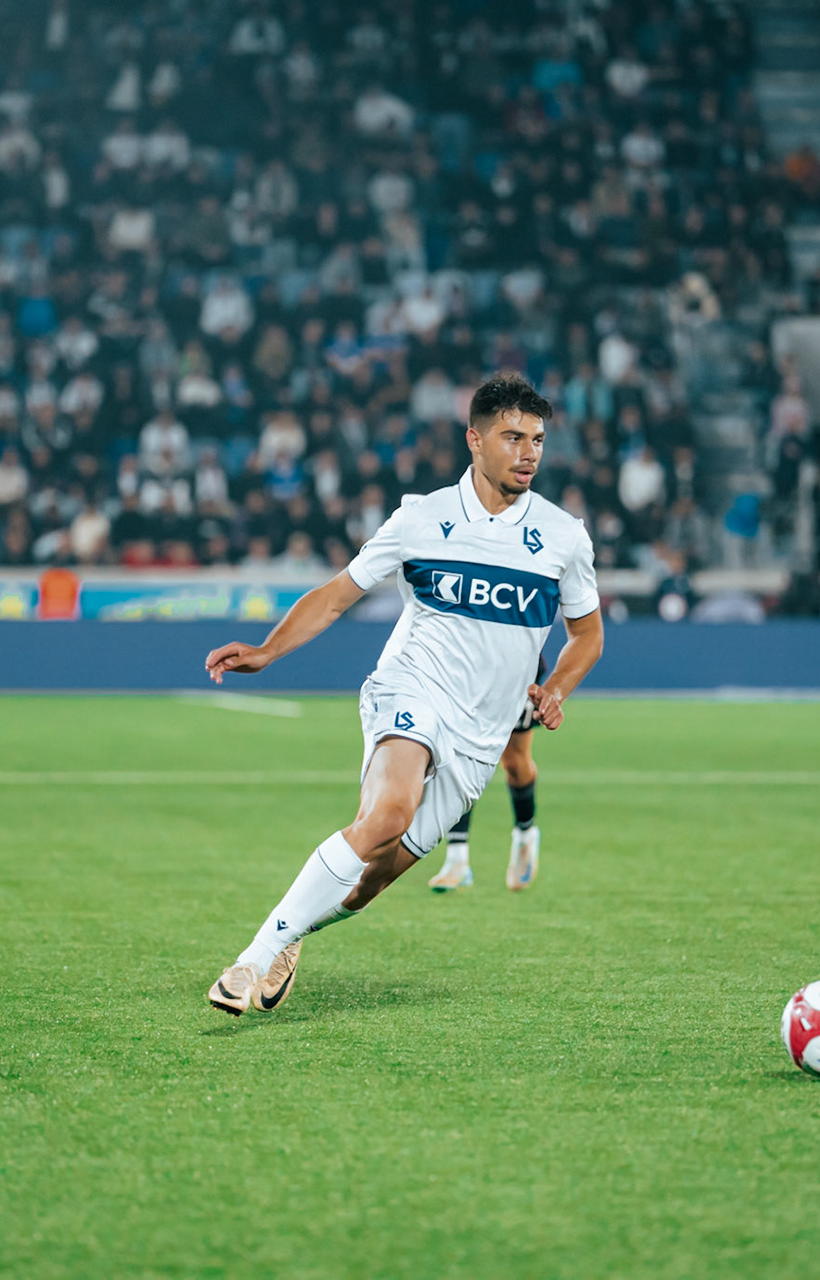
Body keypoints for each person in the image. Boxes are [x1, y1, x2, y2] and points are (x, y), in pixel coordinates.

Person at [200, 374, 603, 1014]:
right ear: (475, 440)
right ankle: (249, 961)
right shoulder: (421, 517)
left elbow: (587, 635)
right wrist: (269, 649)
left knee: (366, 885)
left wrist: (556, 688)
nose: (528, 452)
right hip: (411, 687)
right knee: (386, 814)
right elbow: (338, 593)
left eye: (537, 440)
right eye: (512, 437)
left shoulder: (562, 536)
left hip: (481, 735)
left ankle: (293, 935)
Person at [427, 652, 546, 893]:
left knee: (514, 762)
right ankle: (457, 860)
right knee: (458, 757)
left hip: (516, 672)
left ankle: (525, 833)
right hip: (468, 672)